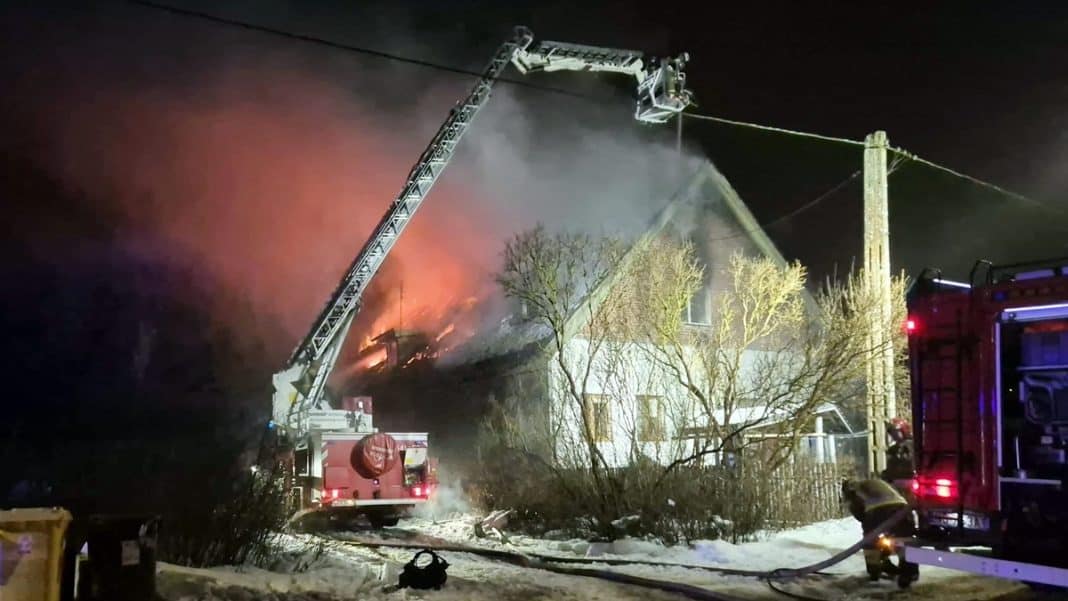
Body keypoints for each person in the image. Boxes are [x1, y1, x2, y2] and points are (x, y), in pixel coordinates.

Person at [841, 478, 919, 585]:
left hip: (878, 511)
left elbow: (860, 514)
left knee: (870, 540)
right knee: (903, 539)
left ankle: (874, 569)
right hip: (902, 508)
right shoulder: (878, 483)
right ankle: (910, 571)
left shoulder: (853, 489)